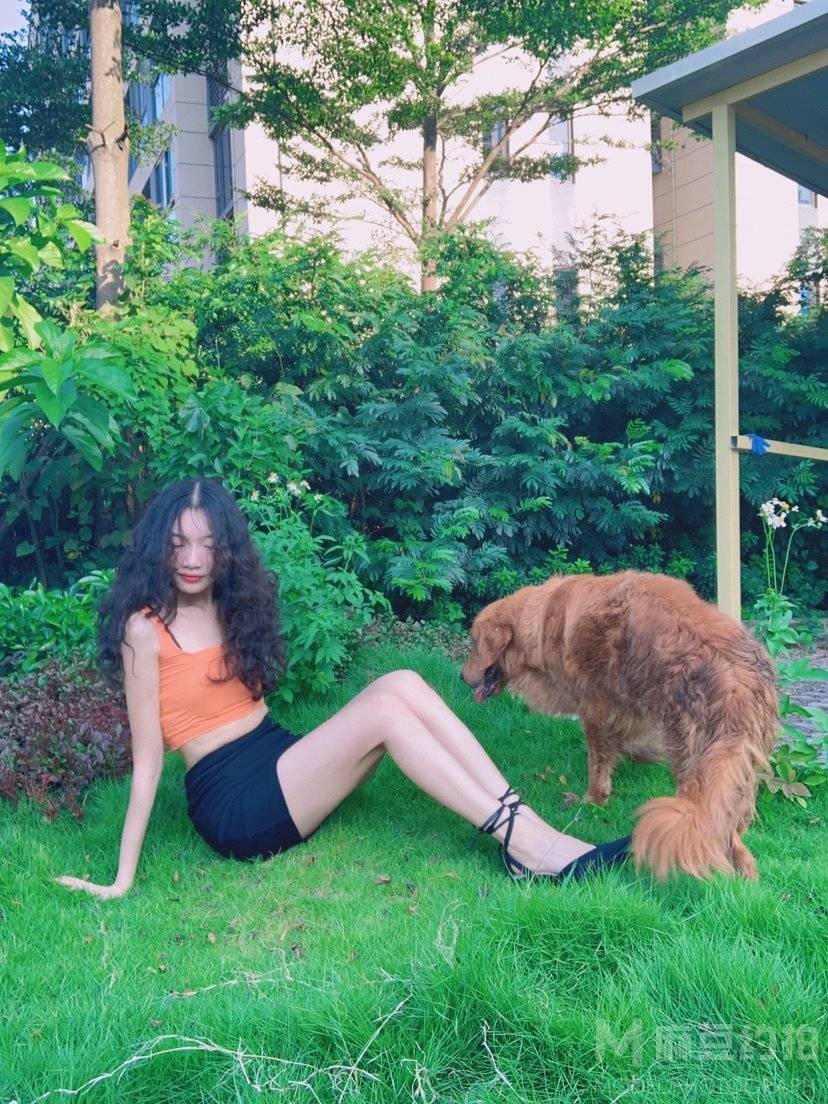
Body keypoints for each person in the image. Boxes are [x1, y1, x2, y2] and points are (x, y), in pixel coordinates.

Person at [55, 478, 630, 899]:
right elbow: (149, 762)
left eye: (207, 544)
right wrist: (121, 880)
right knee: (385, 714)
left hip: (274, 756)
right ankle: (526, 847)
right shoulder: (144, 630)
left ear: (226, 548)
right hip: (233, 803)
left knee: (401, 682)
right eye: (179, 543)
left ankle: (529, 828)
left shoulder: (231, 605)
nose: (192, 559)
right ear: (159, 545)